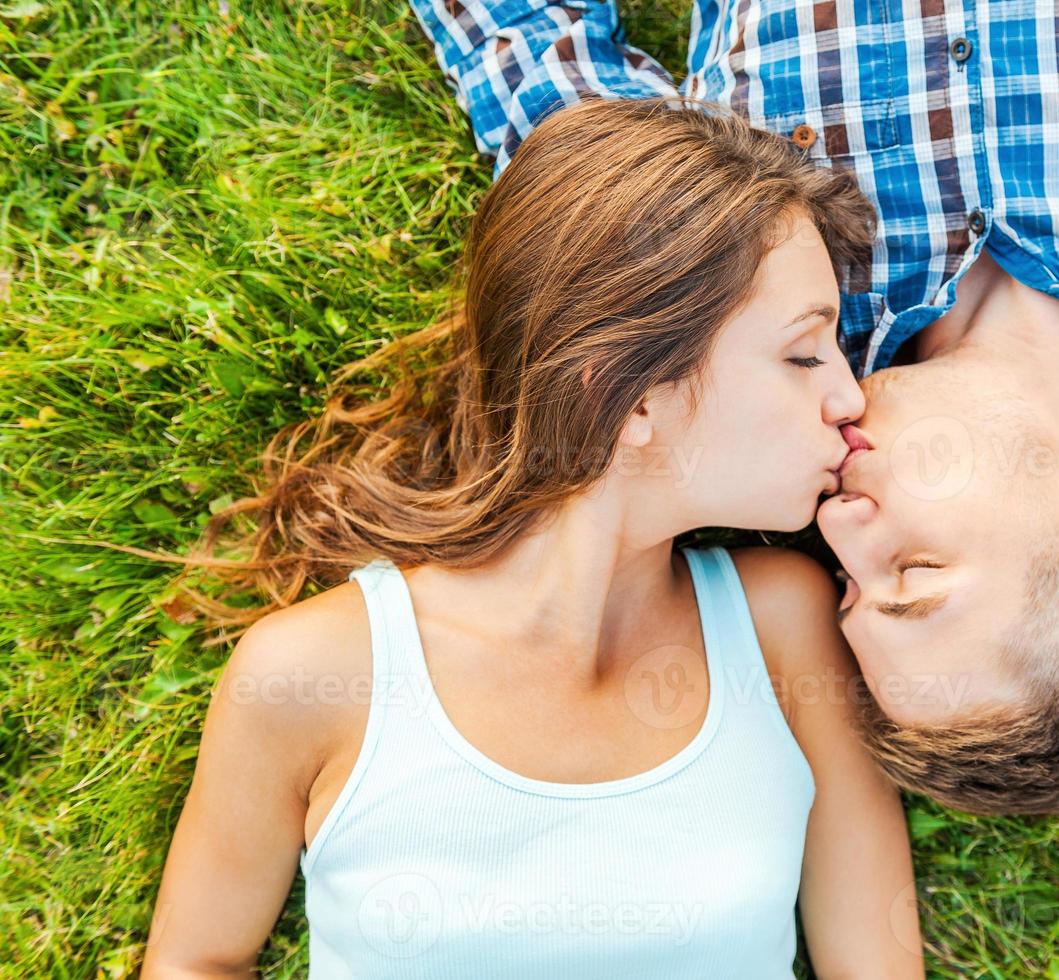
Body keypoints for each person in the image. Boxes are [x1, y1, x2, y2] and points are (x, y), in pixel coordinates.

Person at [408, 0, 1059, 813]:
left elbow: (526, 54)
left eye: (853, 591)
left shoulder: (750, 296)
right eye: (913, 574)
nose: (837, 529)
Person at [142, 98, 923, 977]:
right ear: (629, 397)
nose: (851, 397)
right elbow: (196, 960)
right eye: (803, 354)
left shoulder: (786, 630)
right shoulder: (311, 677)